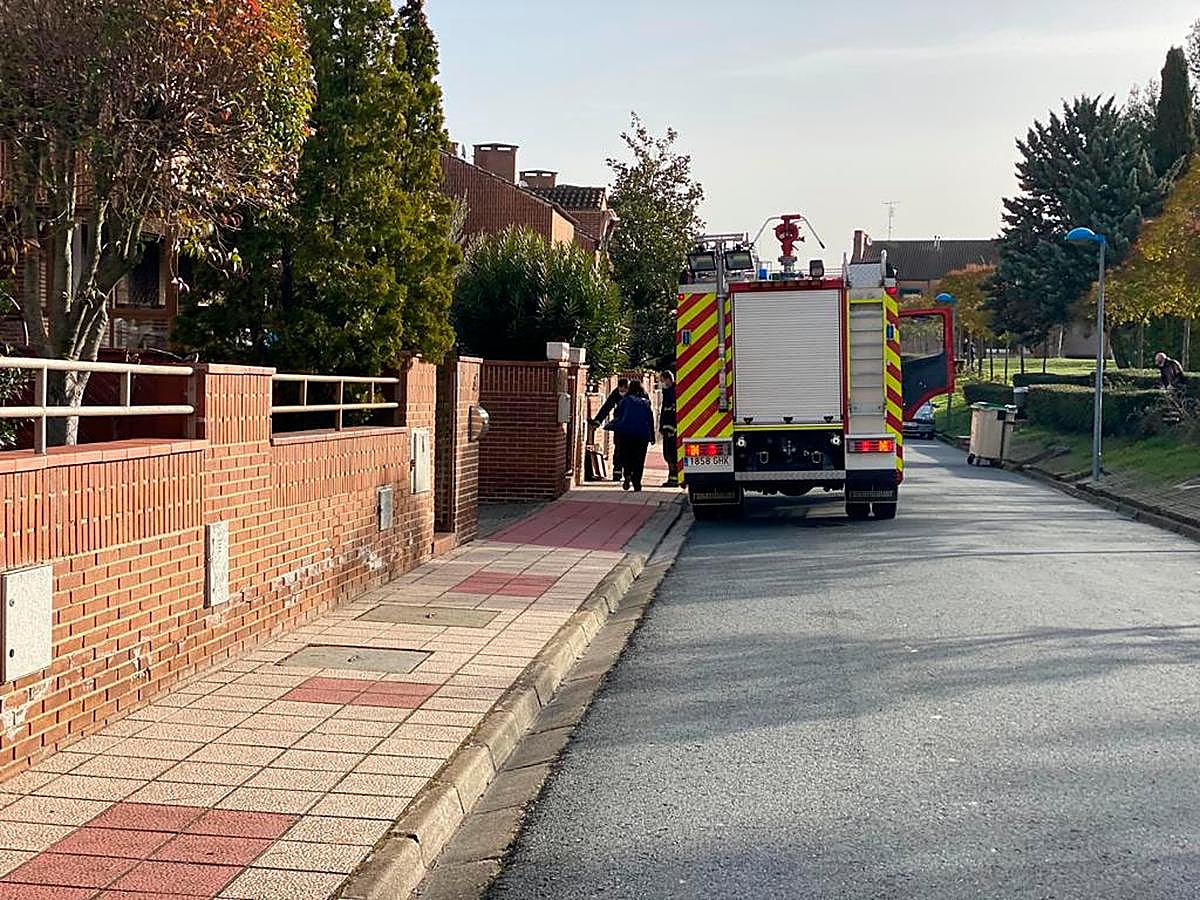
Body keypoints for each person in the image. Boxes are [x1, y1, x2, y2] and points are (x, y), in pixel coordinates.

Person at [610, 379, 655, 492]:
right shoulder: (645, 402)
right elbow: (650, 420)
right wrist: (652, 436)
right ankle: (637, 482)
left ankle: (627, 474)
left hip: (626, 434)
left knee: (626, 456)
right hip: (642, 435)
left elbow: (617, 415)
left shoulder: (624, 401)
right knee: (639, 459)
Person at [592, 377, 628, 482]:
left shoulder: (634, 394)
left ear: (627, 388)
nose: (622, 392)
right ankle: (617, 472)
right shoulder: (616, 393)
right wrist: (598, 420)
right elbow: (607, 406)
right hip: (620, 425)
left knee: (628, 449)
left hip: (630, 426)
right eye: (620, 390)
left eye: (623, 390)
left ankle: (627, 473)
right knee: (618, 448)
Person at [659, 371, 678, 487]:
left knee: (671, 455)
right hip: (668, 429)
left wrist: (669, 428)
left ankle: (673, 479)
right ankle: (672, 478)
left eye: (662, 380)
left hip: (671, 431)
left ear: (668, 379)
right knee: (668, 455)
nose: (662, 383)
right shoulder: (668, 392)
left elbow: (670, 412)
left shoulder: (672, 393)